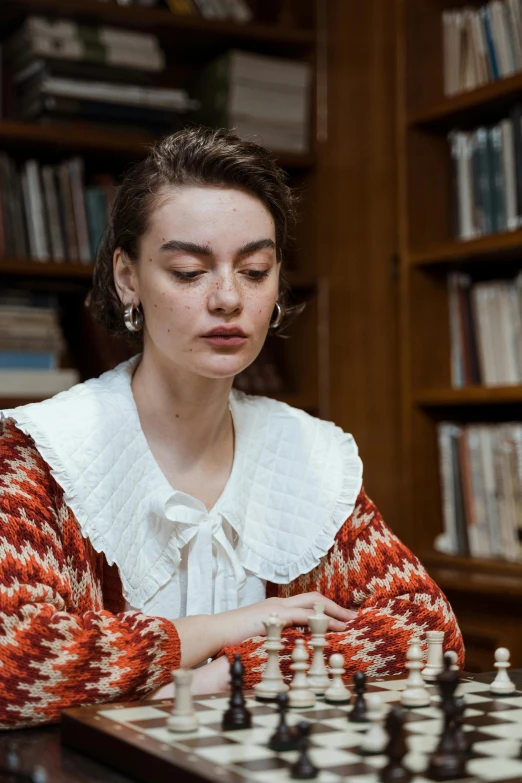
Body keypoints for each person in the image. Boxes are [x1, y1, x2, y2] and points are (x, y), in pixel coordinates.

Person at [0, 127, 463, 729]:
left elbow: (428, 633)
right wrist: (219, 630)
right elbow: (16, 664)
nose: (227, 298)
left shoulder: (302, 453)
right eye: (189, 271)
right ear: (127, 278)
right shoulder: (43, 453)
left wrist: (236, 672)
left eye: (254, 269)